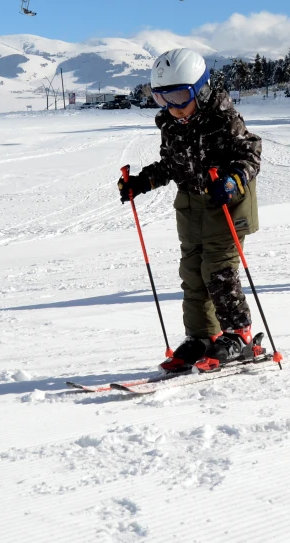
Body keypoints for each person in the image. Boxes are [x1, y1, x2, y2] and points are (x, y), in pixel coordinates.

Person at [117, 48, 263, 372]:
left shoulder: (223, 117)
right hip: (191, 209)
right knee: (193, 273)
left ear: (201, 89)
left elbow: (251, 151)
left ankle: (238, 334)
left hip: (226, 205)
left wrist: (234, 180)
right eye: (162, 99)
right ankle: (201, 337)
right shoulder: (171, 124)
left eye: (181, 96)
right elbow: (172, 165)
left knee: (219, 271)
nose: (174, 107)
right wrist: (141, 182)